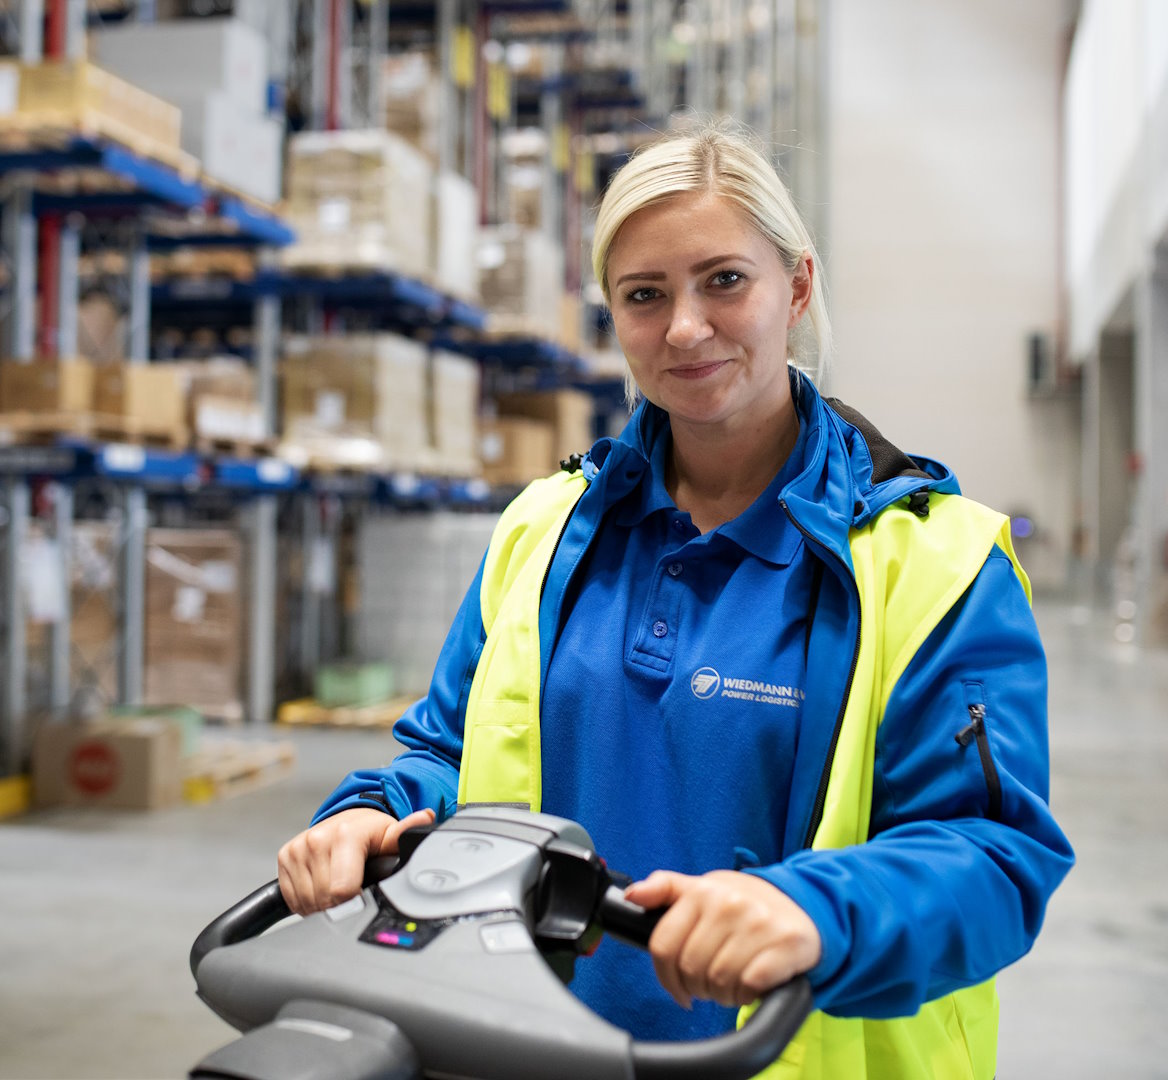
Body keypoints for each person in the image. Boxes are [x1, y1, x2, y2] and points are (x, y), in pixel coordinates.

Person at [277, 120, 1074, 1079]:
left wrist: (817, 912)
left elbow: (993, 856)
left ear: (799, 287)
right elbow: (449, 753)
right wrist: (371, 812)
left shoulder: (935, 562)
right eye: (645, 296)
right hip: (528, 1042)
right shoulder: (544, 529)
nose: (686, 328)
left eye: (724, 281)